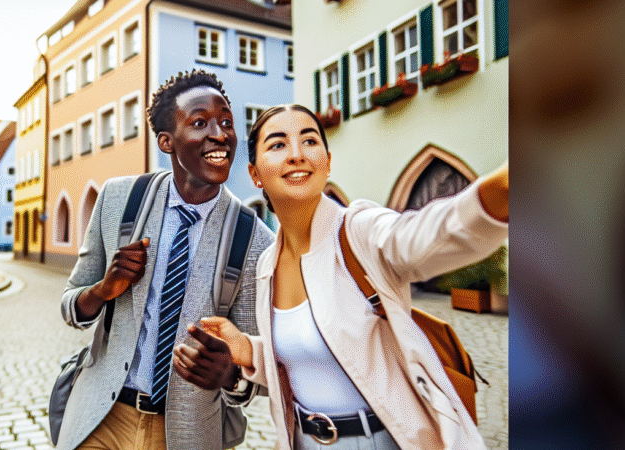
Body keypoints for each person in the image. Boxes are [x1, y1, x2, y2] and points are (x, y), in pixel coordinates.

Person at [191, 104, 508, 450]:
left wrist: (504, 188)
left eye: (309, 141)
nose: (297, 155)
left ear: (327, 161)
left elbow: (434, 232)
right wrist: (247, 349)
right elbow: (312, 357)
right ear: (255, 173)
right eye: (278, 144)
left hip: (381, 440)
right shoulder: (267, 264)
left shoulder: (359, 231)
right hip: (304, 440)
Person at [57, 70, 275, 450]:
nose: (220, 134)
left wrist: (228, 374)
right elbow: (71, 306)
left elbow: (249, 369)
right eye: (200, 122)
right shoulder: (118, 200)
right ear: (166, 141)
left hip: (186, 434)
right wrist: (103, 289)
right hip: (100, 419)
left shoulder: (254, 240)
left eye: (226, 122)